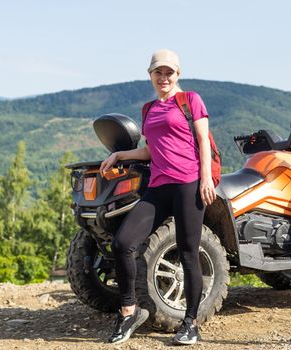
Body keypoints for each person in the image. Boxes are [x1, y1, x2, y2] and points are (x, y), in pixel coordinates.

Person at [100, 48, 216, 345]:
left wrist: (205, 179)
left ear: (178, 74)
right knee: (123, 242)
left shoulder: (190, 101)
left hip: (189, 183)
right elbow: (151, 150)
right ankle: (129, 311)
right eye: (158, 72)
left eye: (169, 72)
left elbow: (203, 140)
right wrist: (120, 155)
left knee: (188, 253)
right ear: (150, 75)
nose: (163, 77)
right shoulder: (149, 109)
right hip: (159, 186)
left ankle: (190, 323)